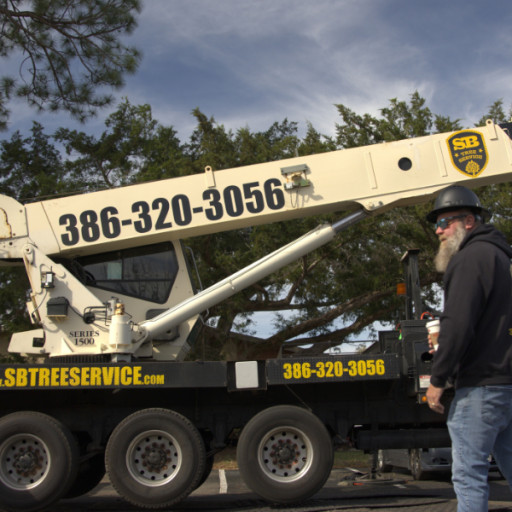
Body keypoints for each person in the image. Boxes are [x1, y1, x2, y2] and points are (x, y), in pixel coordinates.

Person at [425, 184, 512, 512]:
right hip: (507, 385)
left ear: (469, 221)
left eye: (445, 222)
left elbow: (458, 325)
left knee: (469, 474)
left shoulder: (469, 259)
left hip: (480, 388)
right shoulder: (503, 258)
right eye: (437, 225)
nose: (439, 231)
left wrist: (438, 380)